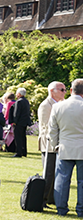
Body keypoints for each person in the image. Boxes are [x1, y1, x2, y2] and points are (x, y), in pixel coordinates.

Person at [50, 79, 83, 216]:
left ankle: (61, 209)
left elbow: (53, 130)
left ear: (71, 90)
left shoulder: (58, 106)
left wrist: (54, 146)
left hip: (64, 147)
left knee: (62, 180)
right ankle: (81, 210)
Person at [40, 81, 66, 206]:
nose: (64, 92)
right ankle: (43, 199)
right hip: (49, 144)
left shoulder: (60, 104)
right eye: (61, 89)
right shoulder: (46, 105)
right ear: (52, 91)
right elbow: (45, 126)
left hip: (57, 143)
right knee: (48, 172)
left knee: (56, 172)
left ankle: (51, 198)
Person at [10, 87, 31, 157]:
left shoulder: (19, 102)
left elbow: (16, 113)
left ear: (18, 94)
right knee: (23, 137)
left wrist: (14, 121)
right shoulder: (26, 101)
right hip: (24, 122)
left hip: (18, 122)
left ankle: (19, 152)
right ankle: (24, 152)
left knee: (18, 137)